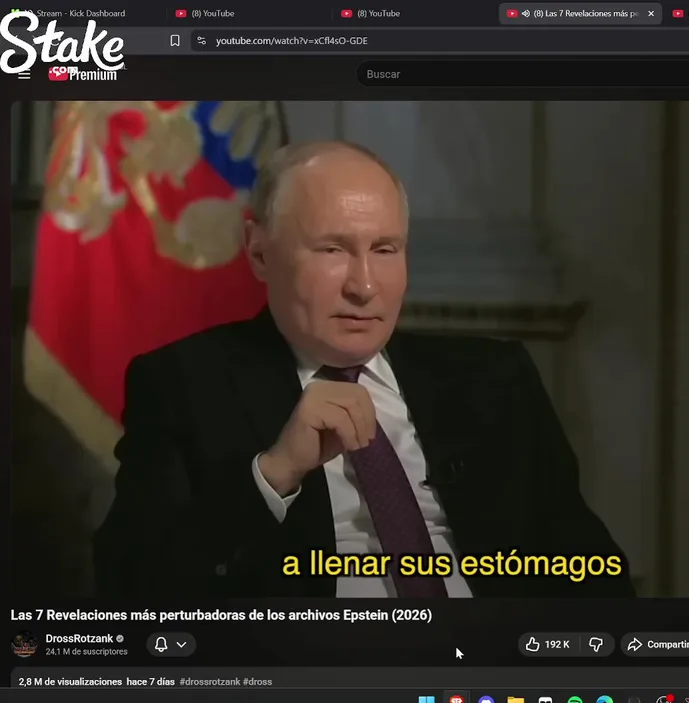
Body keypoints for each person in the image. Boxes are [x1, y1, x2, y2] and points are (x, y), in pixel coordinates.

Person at [93, 141, 635, 599]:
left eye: (385, 249)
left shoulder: (495, 378)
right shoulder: (184, 384)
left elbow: (593, 575)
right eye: (333, 249)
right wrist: (276, 472)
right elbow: (133, 588)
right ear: (259, 252)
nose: (365, 286)